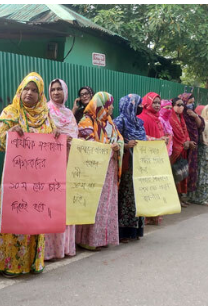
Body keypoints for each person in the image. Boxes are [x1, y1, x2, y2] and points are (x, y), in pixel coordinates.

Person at [0, 72, 59, 276]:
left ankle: (32, 263)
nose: (29, 93)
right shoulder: (11, 112)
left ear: (40, 94)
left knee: (35, 219)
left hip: (39, 180)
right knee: (15, 218)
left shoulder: (46, 115)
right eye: (26, 89)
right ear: (20, 90)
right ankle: (9, 264)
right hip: (16, 179)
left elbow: (52, 145)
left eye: (34, 90)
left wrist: (55, 136)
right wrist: (11, 135)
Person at [76, 92, 123, 250]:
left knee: (106, 204)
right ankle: (88, 240)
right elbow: (87, 146)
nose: (112, 108)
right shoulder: (86, 121)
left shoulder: (109, 122)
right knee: (94, 204)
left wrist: (118, 146)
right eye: (109, 105)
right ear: (102, 106)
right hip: (93, 170)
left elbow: (119, 138)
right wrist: (110, 147)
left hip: (109, 168)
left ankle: (102, 238)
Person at [45, 78, 78, 260]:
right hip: (50, 164)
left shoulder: (69, 114)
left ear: (65, 91)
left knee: (65, 204)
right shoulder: (45, 111)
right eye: (53, 89)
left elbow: (74, 135)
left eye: (59, 89)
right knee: (51, 203)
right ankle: (49, 250)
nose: (56, 92)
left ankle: (64, 247)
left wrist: (65, 138)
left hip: (67, 163)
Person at [114, 94, 146, 242]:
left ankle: (136, 229)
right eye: (138, 104)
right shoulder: (120, 121)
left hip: (140, 163)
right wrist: (126, 145)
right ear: (130, 105)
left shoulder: (139, 122)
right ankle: (124, 232)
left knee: (138, 196)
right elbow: (113, 140)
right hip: (127, 164)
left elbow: (143, 139)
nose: (141, 107)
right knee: (127, 197)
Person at [137, 92, 167, 224]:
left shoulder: (157, 118)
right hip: (146, 157)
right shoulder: (142, 118)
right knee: (147, 186)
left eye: (158, 103)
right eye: (154, 102)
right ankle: (147, 216)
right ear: (147, 103)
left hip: (158, 157)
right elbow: (141, 137)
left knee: (156, 186)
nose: (157, 105)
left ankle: (155, 214)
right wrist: (157, 140)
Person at [169, 97, 194, 207]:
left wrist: (187, 141)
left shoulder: (181, 118)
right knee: (174, 174)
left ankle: (180, 197)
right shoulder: (169, 118)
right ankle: (174, 200)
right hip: (175, 151)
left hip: (183, 149)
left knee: (181, 174)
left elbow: (185, 133)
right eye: (178, 105)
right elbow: (172, 136)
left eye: (182, 105)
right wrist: (183, 144)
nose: (181, 107)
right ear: (172, 105)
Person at [179, 93, 204, 203]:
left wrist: (195, 116)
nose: (191, 104)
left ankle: (187, 195)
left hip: (193, 148)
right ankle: (180, 196)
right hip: (183, 147)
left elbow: (201, 126)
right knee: (181, 172)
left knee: (190, 171)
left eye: (193, 102)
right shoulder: (181, 115)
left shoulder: (193, 115)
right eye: (189, 102)